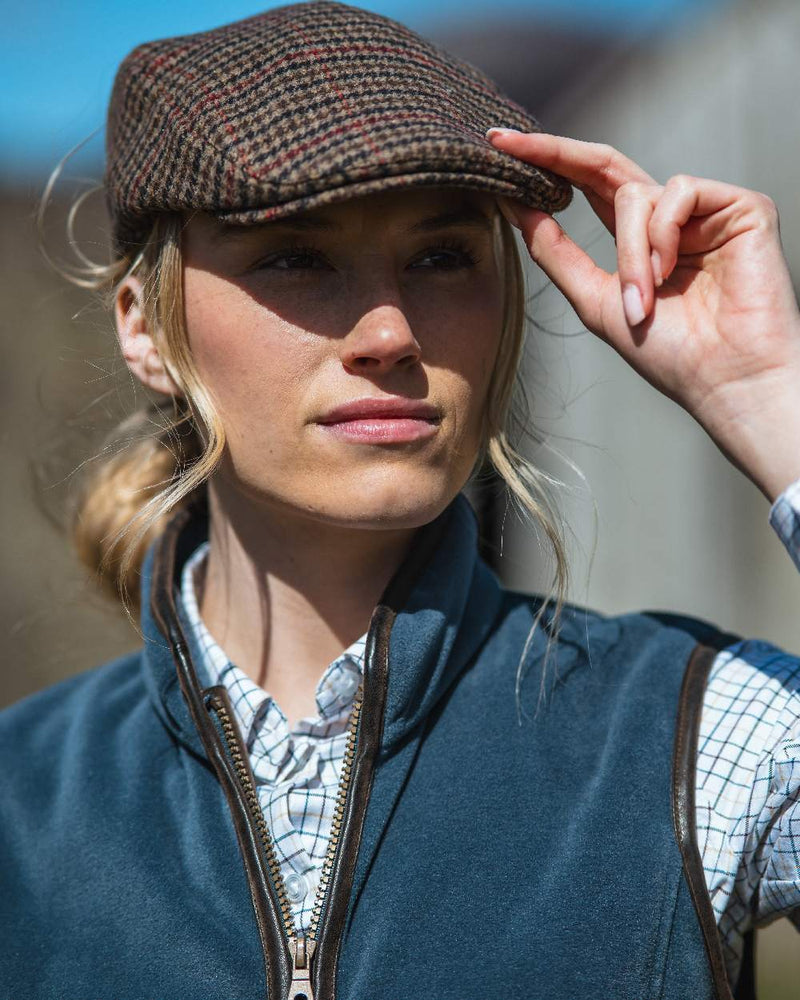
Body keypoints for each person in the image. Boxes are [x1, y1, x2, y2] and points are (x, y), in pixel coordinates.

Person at [1, 2, 798, 998]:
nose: (388, 332)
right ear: (145, 328)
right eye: (296, 254)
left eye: (440, 257)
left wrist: (771, 403)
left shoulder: (694, 733)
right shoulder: (20, 799)